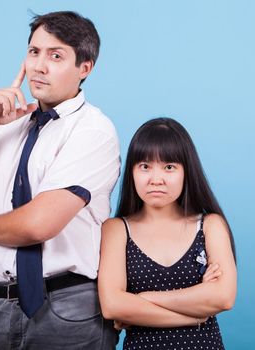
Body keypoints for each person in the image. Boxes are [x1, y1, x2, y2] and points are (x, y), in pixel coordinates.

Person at [0, 11, 120, 349]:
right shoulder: (7, 124)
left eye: (56, 55)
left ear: (85, 68)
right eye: (34, 52)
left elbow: (38, 224)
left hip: (69, 307)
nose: (39, 65)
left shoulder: (93, 130)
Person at [98, 118, 237, 349]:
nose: (156, 179)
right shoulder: (116, 230)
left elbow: (224, 297)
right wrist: (194, 313)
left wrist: (143, 299)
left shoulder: (210, 225)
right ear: (131, 171)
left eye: (169, 167)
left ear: (186, 171)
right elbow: (113, 305)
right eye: (145, 166)